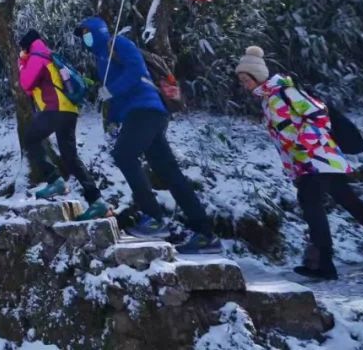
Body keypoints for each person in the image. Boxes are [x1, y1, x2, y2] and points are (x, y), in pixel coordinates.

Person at [235, 46, 363, 280]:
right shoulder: (268, 98)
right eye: (241, 79)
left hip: (316, 159)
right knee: (353, 205)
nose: (243, 84)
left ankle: (322, 262)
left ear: (258, 76)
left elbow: (319, 114)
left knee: (311, 203)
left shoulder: (284, 92)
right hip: (315, 160)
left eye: (245, 78)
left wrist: (305, 147)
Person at [75, 17, 221, 254]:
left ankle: (154, 218)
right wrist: (112, 116)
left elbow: (136, 71)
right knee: (169, 172)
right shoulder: (101, 58)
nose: (84, 38)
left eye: (86, 32)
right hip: (140, 113)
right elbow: (118, 95)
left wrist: (111, 90)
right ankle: (205, 234)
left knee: (123, 155)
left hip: (146, 109)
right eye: (82, 35)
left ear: (98, 30)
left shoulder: (117, 43)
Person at [18, 29, 109, 221]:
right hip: (68, 110)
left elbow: (25, 83)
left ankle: (55, 180)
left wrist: (22, 63)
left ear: (27, 46)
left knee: (30, 138)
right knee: (70, 156)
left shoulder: (36, 56)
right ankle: (97, 201)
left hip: (55, 108)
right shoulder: (48, 54)